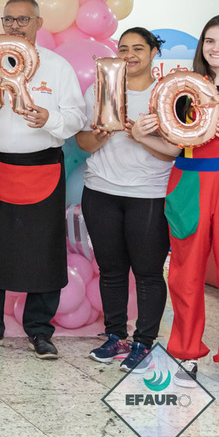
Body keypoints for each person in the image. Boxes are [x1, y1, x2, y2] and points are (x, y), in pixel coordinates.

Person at [132, 14, 219, 394]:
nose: (215, 49)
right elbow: (175, 148)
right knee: (184, 273)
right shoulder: (184, 88)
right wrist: (141, 136)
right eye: (210, 41)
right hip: (189, 181)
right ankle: (186, 353)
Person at [0, 0, 86, 359]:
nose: (15, 26)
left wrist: (49, 118)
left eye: (23, 20)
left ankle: (40, 331)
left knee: (44, 251)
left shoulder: (57, 67)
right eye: (9, 20)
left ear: (38, 23)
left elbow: (76, 118)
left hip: (43, 168)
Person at [75, 28, 173, 373]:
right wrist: (101, 137)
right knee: (111, 271)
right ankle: (115, 336)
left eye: (138, 48)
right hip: (100, 190)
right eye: (123, 48)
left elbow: (174, 152)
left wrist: (140, 136)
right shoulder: (99, 90)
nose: (130, 55)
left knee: (148, 273)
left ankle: (144, 342)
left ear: (153, 52)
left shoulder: (166, 95)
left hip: (148, 194)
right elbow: (84, 143)